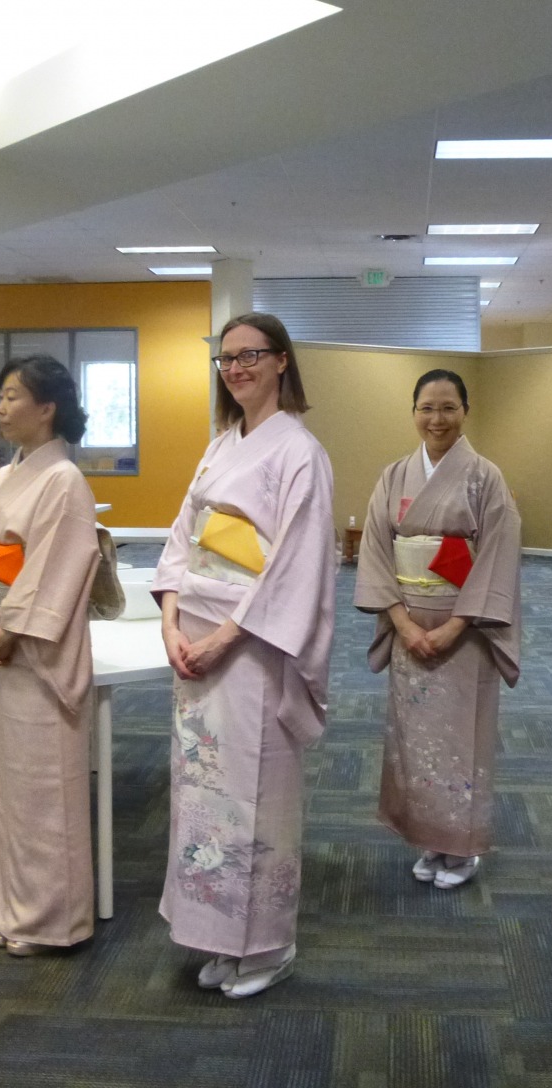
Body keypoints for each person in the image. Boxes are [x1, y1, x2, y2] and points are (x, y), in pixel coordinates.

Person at [153, 312, 336, 998]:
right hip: (195, 643)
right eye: (226, 358)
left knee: (254, 789)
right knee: (204, 789)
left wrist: (226, 636)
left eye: (250, 355)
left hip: (253, 644)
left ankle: (266, 945)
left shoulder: (301, 453)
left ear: (282, 360)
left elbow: (297, 565)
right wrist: (171, 621)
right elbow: (182, 539)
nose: (236, 369)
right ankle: (217, 936)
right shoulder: (218, 446)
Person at [354, 369, 520, 889]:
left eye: (448, 407)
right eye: (427, 407)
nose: (437, 418)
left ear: (465, 411)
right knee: (415, 738)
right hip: (409, 624)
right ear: (413, 412)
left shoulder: (485, 477)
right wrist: (402, 623)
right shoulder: (394, 476)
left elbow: (497, 556)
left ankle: (462, 848)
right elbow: (376, 550)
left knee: (460, 736)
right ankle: (429, 839)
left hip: (464, 629)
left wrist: (455, 626)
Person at [0, 355, 101, 954]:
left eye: (13, 396)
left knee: (47, 788)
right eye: (0, 395)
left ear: (47, 408)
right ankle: (10, 905)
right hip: (1, 636)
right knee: (13, 788)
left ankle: (52, 919)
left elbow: (57, 568)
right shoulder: (4, 474)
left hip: (35, 649)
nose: (0, 407)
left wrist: (11, 630)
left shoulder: (63, 480)